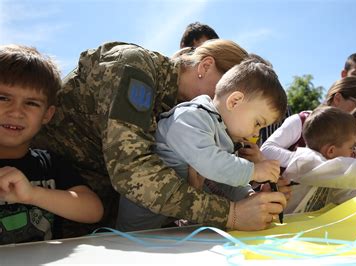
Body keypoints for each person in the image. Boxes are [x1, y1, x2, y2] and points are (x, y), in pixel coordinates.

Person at [32, 39, 286, 235]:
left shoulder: (187, 112)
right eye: (227, 85)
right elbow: (134, 172)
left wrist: (251, 197)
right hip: (44, 211)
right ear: (206, 66)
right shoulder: (133, 68)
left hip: (99, 222)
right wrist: (231, 213)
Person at [117, 57, 287, 231]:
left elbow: (226, 180)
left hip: (164, 224)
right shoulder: (192, 117)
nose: (256, 134)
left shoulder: (223, 133)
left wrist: (249, 197)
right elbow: (211, 164)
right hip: (135, 227)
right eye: (258, 123)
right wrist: (254, 171)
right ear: (234, 101)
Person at [0, 45, 103, 244]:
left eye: (31, 103)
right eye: (3, 98)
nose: (16, 112)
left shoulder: (50, 163)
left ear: (47, 115)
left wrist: (31, 195)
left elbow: (93, 210)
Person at [282, 106, 356, 213]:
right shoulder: (305, 162)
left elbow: (345, 196)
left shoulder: (332, 175)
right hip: (284, 226)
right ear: (331, 151)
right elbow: (348, 171)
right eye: (351, 147)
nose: (353, 152)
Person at [261, 77, 356, 168]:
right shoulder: (302, 121)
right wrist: (310, 162)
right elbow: (266, 150)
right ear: (337, 98)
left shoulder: (350, 140)